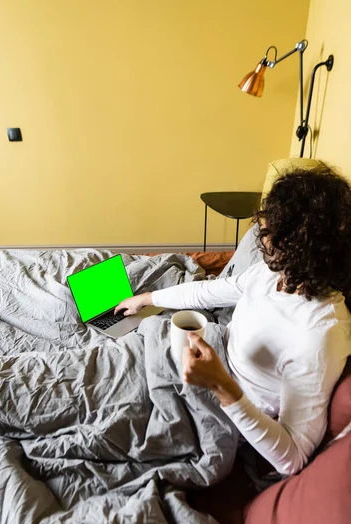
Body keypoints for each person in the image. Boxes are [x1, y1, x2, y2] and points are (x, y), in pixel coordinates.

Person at [115, 166, 351, 476]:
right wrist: (147, 299)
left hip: (215, 407)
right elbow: (209, 292)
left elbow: (292, 457)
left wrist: (221, 385)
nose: (261, 233)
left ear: (303, 246)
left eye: (270, 229)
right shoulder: (275, 274)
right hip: (205, 359)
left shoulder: (319, 334)